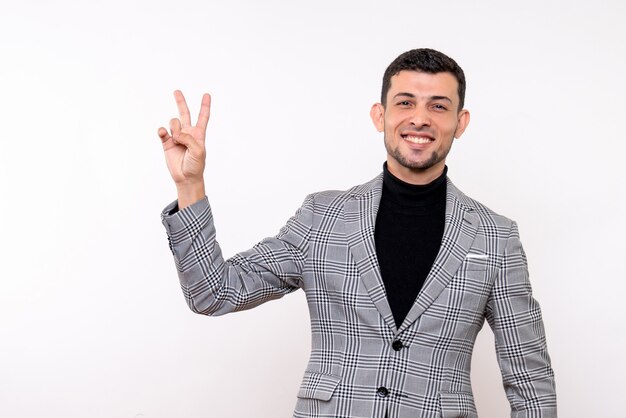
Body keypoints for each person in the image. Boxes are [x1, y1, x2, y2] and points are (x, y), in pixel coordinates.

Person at [158, 48, 557, 418]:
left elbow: (530, 382)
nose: (420, 118)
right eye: (405, 103)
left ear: (460, 122)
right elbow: (214, 292)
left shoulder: (495, 237)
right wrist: (190, 186)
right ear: (379, 115)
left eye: (439, 106)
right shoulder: (322, 216)